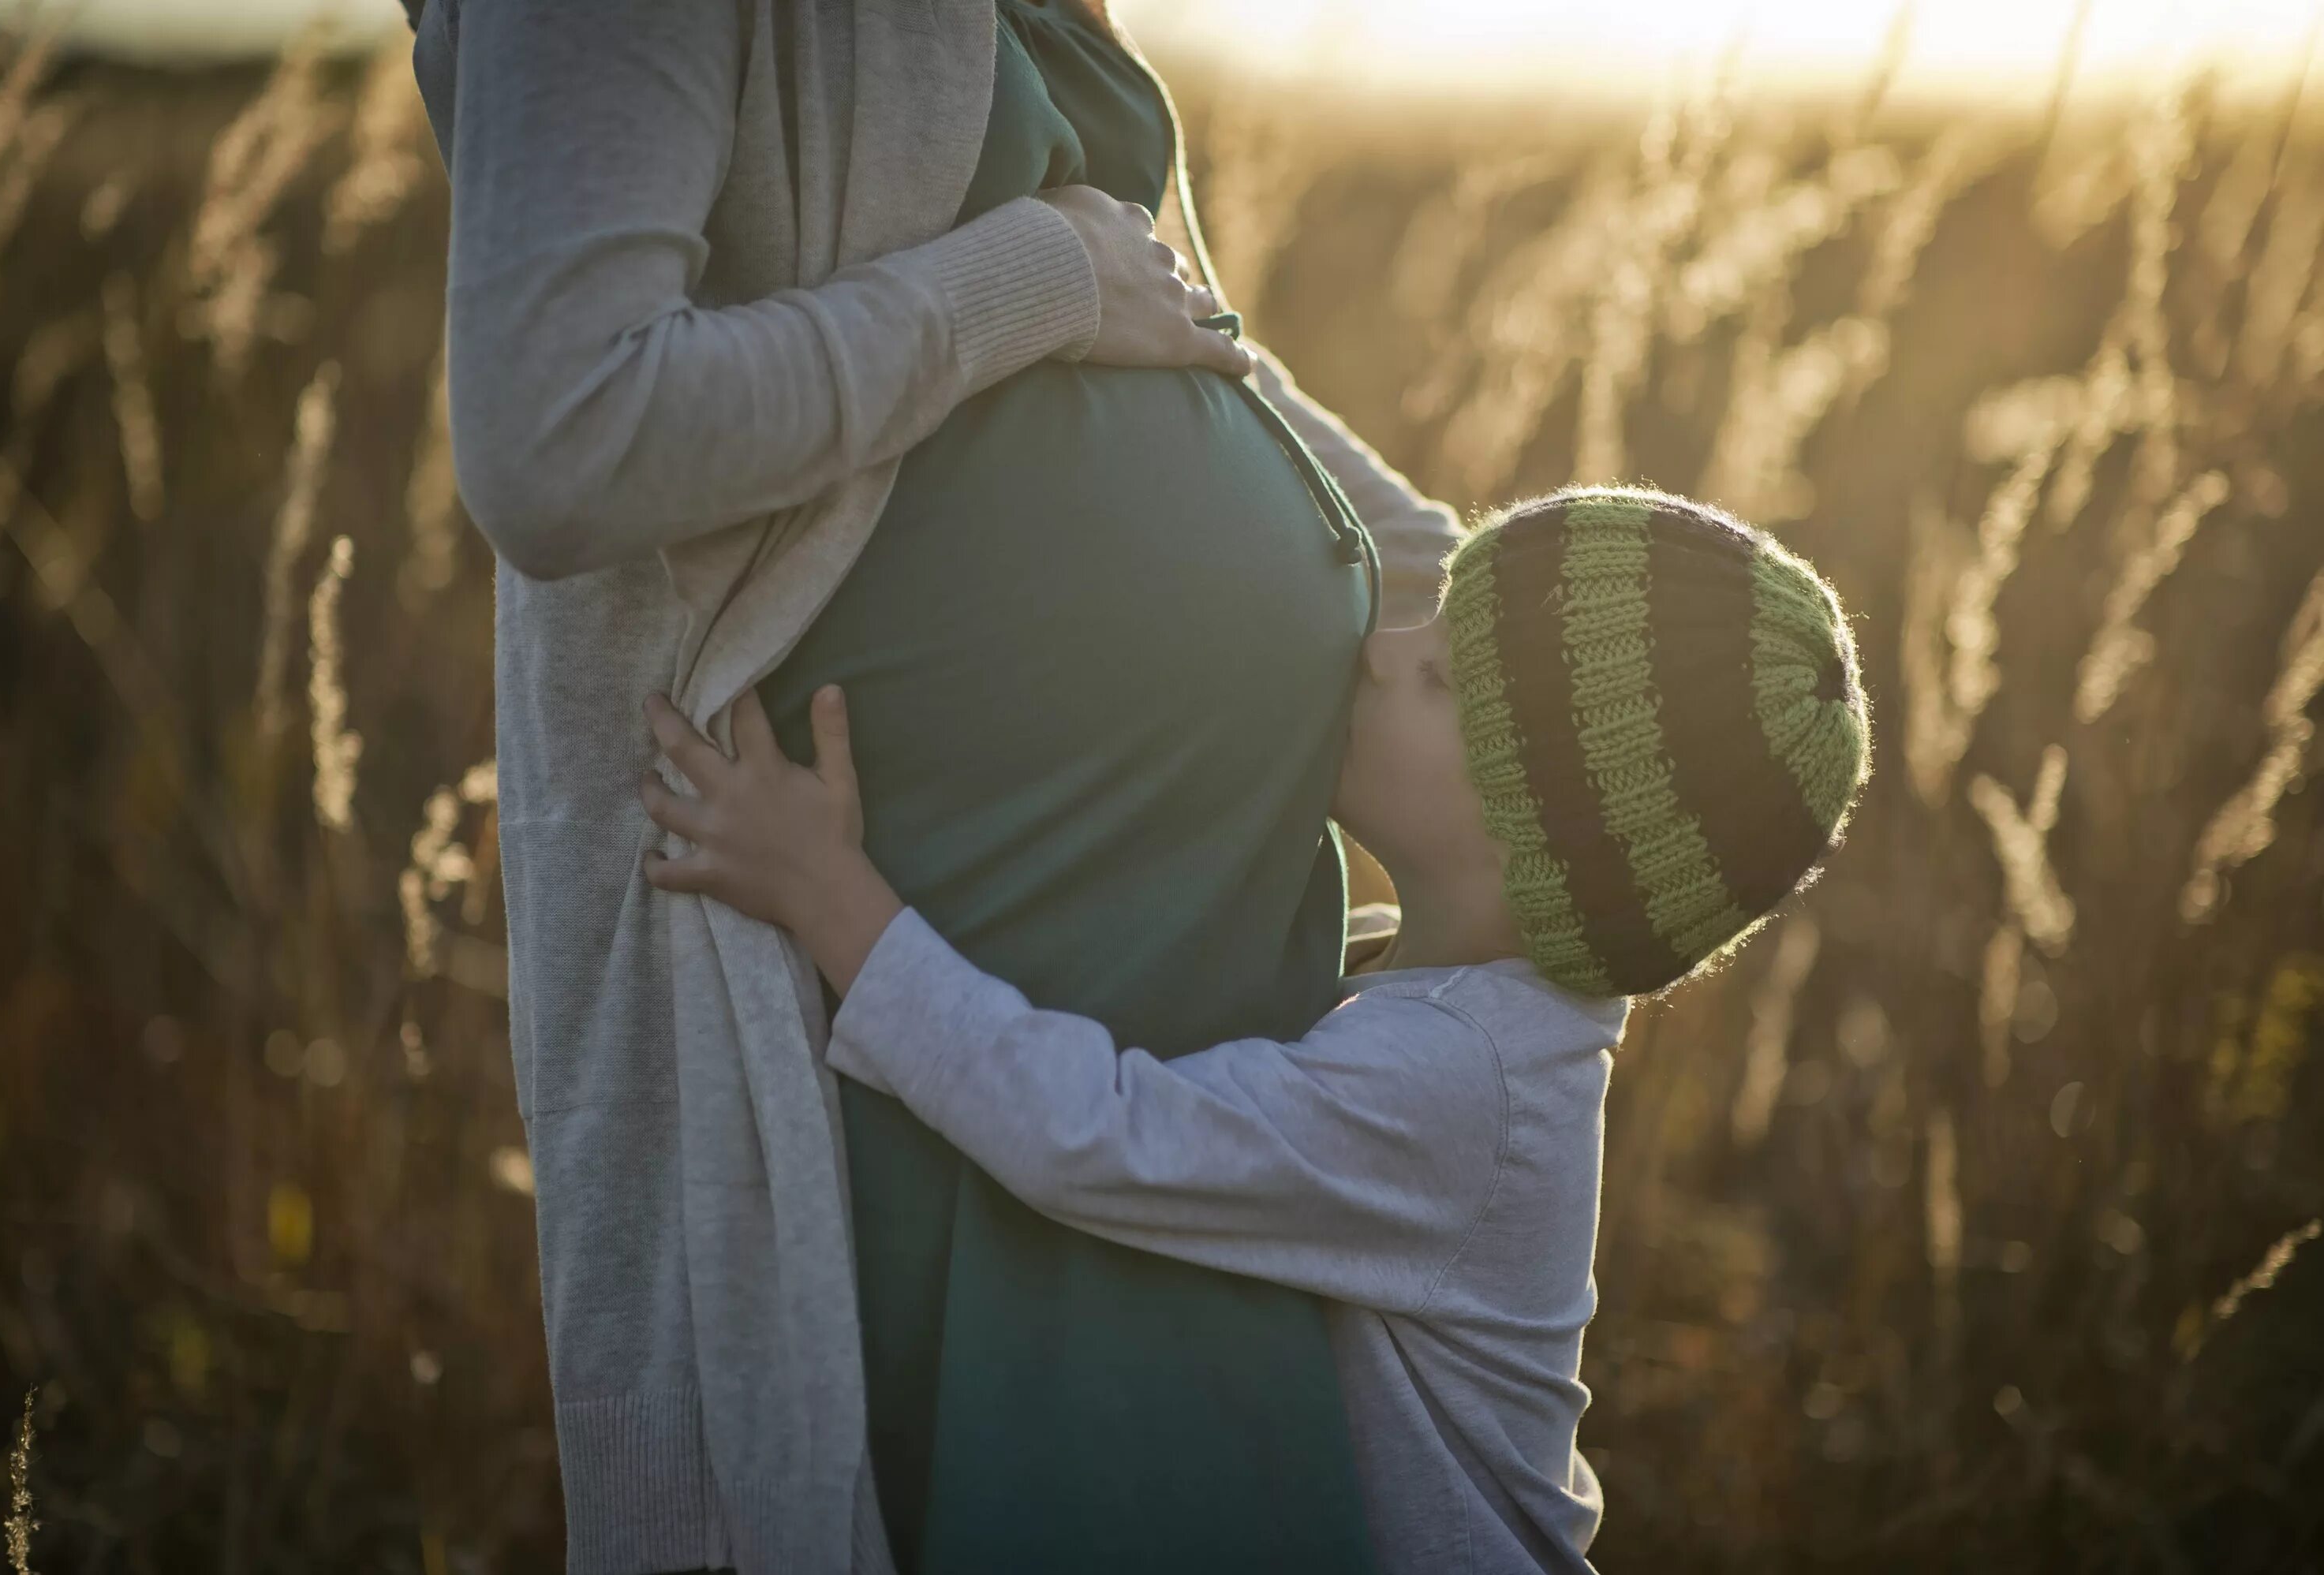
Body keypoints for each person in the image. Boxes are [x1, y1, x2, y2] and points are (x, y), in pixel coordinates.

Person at [409, 0, 1461, 1569]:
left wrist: (1510, 624)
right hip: (923, 1066)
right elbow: (563, 433)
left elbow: (1173, 323)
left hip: (1174, 1061)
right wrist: (1023, 284)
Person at [637, 487, 1875, 1575]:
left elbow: (1099, 1137)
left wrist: (832, 898)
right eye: (1425, 622)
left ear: (1541, 853)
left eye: (1438, 677)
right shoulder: (1479, 996)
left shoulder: (1457, 1085)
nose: (1381, 652)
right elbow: (1361, 494)